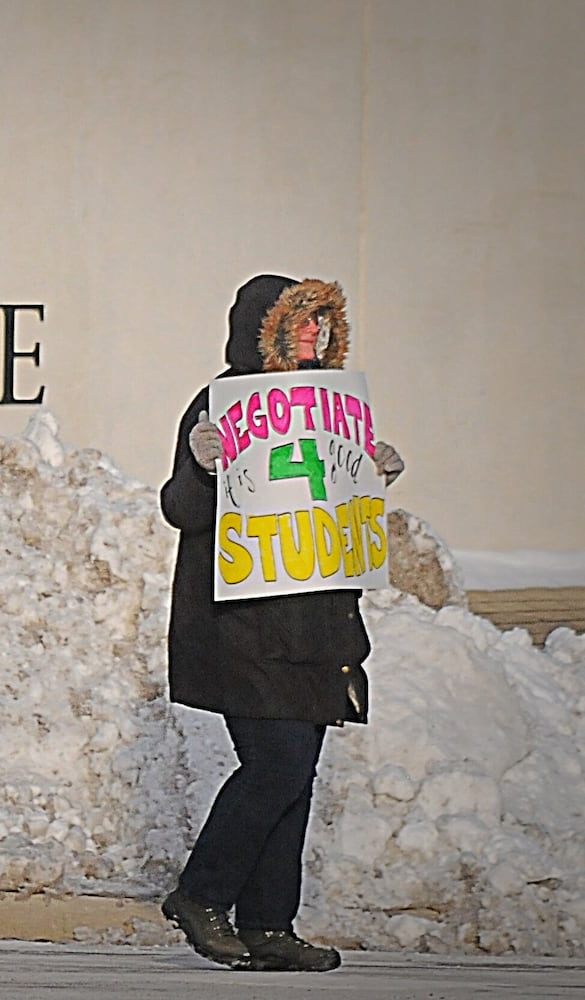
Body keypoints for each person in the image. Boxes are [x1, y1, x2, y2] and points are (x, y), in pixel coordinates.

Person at [158, 274, 405, 972]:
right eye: (299, 321)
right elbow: (181, 508)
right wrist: (203, 469)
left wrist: (371, 472)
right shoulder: (224, 400)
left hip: (313, 628)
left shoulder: (330, 408)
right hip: (243, 628)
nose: (312, 335)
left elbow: (321, 501)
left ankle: (269, 924)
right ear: (262, 327)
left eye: (321, 323)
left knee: (296, 777)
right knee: (276, 766)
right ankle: (200, 895)